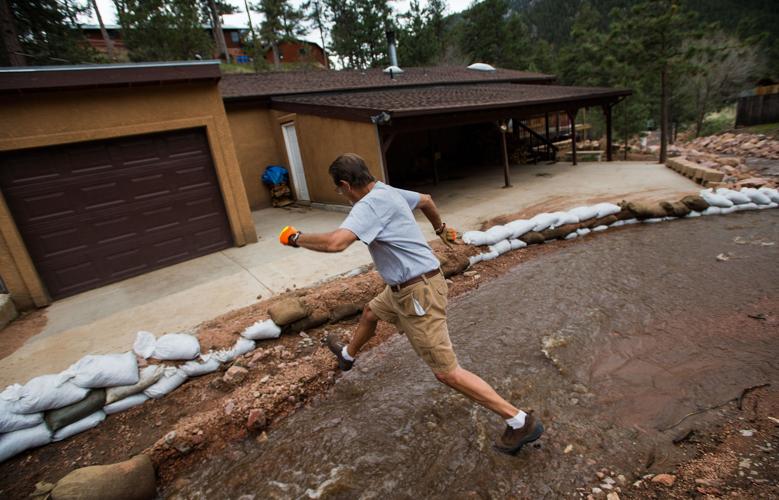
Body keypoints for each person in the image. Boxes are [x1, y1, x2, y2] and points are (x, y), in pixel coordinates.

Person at [278, 153, 543, 455]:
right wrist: (441, 229)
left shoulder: (368, 206)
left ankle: (519, 420)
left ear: (345, 184)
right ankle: (348, 356)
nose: (343, 196)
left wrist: (296, 237)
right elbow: (427, 200)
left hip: (417, 293)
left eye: (340, 190)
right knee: (370, 312)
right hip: (407, 286)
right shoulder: (386, 191)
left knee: (446, 372)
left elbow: (335, 243)